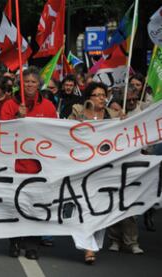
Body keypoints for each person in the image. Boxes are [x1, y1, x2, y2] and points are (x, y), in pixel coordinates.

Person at [0, 66, 57, 260]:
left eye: (34, 81)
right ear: (20, 84)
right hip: (15, 165)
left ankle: (32, 245)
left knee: (35, 206)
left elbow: (54, 133)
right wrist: (18, 118)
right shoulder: (9, 105)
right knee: (14, 205)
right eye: (27, 82)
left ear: (39, 85)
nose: (30, 85)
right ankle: (15, 242)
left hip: (38, 166)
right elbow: (1, 132)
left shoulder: (48, 106)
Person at [68, 82, 120, 265]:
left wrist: (124, 118)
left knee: (101, 209)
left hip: (105, 170)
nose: (100, 98)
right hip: (83, 169)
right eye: (96, 95)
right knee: (84, 207)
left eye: (103, 94)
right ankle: (88, 248)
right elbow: (65, 132)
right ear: (88, 97)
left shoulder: (112, 115)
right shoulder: (78, 112)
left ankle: (93, 244)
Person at [107, 85, 144, 255]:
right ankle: (115, 239)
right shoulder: (113, 112)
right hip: (115, 165)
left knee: (130, 205)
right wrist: (117, 119)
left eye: (133, 99)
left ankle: (131, 241)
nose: (131, 102)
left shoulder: (143, 111)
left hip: (134, 165)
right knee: (114, 203)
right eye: (128, 99)